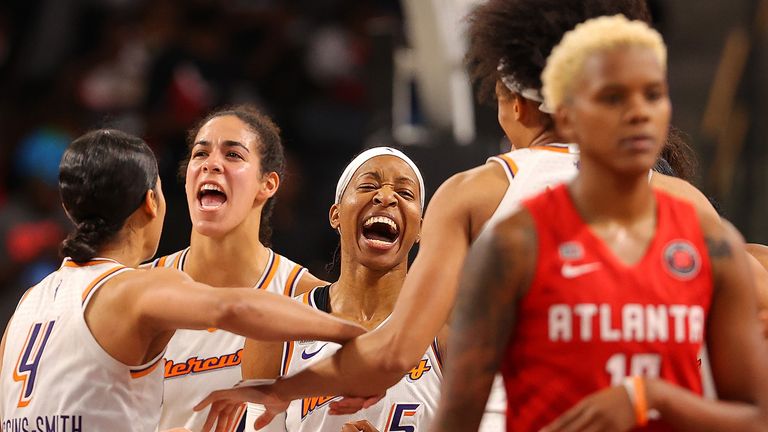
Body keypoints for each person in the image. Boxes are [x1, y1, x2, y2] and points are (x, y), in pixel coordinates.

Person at [193, 1, 728, 427]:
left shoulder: (479, 190)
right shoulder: (681, 200)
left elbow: (393, 352)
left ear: (517, 103)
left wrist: (284, 389)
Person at [434, 15, 768, 431]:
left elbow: (755, 416)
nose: (638, 113)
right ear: (568, 117)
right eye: (613, 98)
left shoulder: (709, 239)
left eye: (654, 95)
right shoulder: (511, 243)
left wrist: (650, 397)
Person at [0, 130, 365, 432]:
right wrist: (350, 333)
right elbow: (235, 306)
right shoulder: (137, 287)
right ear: (150, 203)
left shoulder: (29, 302)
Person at [217, 147, 441, 432]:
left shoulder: (447, 330)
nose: (386, 197)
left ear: (420, 228)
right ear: (335, 215)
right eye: (369, 186)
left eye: (406, 193)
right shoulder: (276, 335)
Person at [147, 106, 329, 432]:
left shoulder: (304, 296)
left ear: (268, 184)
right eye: (200, 153)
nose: (211, 163)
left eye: (233, 154)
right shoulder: (139, 289)